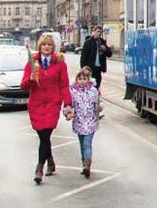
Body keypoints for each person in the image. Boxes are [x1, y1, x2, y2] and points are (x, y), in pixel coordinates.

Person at [20, 34, 73, 184]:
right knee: (43, 136)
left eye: (49, 45)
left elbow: (64, 85)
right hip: (36, 104)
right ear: (40, 47)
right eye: (44, 45)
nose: (46, 47)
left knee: (46, 134)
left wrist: (67, 104)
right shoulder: (32, 62)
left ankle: (39, 168)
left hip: (52, 103)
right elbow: (23, 86)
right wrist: (30, 78)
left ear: (53, 47)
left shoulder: (60, 63)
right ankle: (50, 161)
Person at [66, 66, 102, 178]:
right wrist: (67, 113)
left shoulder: (93, 91)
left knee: (87, 144)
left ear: (88, 80)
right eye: (80, 79)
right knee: (82, 145)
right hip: (79, 122)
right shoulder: (73, 92)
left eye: (84, 79)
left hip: (91, 122)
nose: (82, 81)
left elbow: (100, 102)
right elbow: (68, 105)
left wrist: (100, 108)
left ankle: (87, 165)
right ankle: (84, 163)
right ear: (76, 80)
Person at [79, 25, 112, 89]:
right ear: (94, 32)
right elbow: (83, 56)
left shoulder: (102, 42)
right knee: (90, 85)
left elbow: (109, 54)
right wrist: (83, 68)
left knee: (97, 84)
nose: (99, 33)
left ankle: (95, 95)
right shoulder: (88, 42)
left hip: (98, 68)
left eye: (100, 32)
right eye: (98, 31)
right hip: (90, 68)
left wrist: (105, 49)